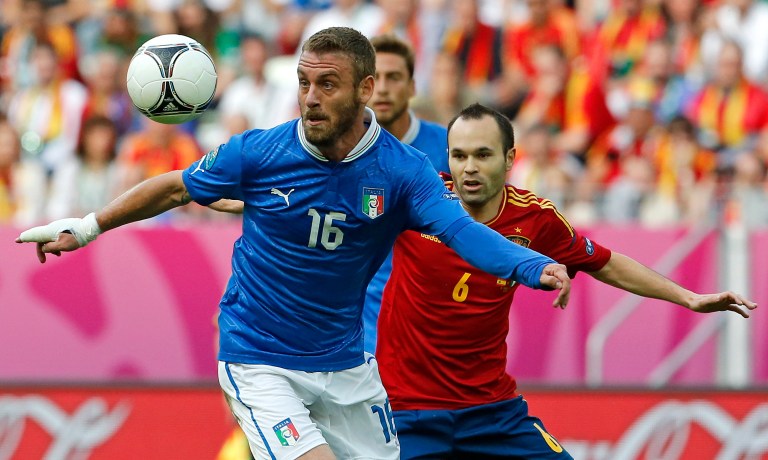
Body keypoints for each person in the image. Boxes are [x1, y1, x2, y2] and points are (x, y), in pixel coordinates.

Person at [16, 28, 572, 460]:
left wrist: (532, 266)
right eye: (304, 83)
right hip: (259, 358)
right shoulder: (260, 153)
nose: (310, 98)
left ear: (365, 88)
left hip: (347, 363)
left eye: (326, 84)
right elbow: (174, 187)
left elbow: (461, 232)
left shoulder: (403, 172)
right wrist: (86, 227)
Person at [376, 103, 757, 459]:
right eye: (459, 156)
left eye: (483, 154)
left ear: (510, 159)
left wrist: (688, 298)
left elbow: (605, 263)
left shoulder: (536, 218)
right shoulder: (420, 202)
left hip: (492, 412)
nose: (469, 168)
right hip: (408, 413)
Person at [362, 33, 448, 353]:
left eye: (394, 77)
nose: (383, 88)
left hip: (434, 322)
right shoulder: (342, 151)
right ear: (363, 86)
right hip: (364, 327)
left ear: (412, 87)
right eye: (376, 78)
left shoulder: (451, 147)